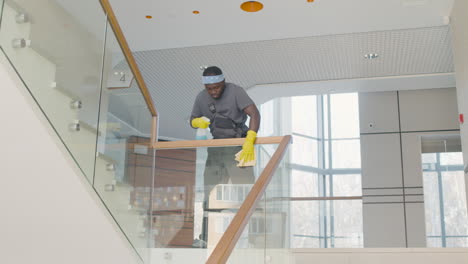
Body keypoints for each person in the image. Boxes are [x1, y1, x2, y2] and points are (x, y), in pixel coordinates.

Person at [190, 66, 260, 246]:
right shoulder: (201, 97)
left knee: (246, 192)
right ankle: (205, 237)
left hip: (239, 145)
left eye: (217, 88)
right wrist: (197, 122)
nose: (213, 92)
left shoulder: (236, 91)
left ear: (223, 82)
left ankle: (256, 238)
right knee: (209, 194)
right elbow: (192, 120)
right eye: (209, 89)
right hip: (216, 148)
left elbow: (254, 113)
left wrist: (250, 139)